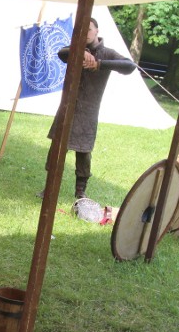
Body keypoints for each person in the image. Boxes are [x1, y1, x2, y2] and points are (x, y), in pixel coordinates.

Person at [45, 17, 136, 199]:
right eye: (82, 30)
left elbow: (129, 66)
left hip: (88, 111)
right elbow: (61, 53)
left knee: (84, 153)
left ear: (97, 31)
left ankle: (80, 192)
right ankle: (49, 189)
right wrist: (79, 52)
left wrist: (100, 63)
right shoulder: (75, 50)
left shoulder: (107, 53)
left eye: (89, 29)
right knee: (56, 151)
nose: (85, 33)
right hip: (67, 109)